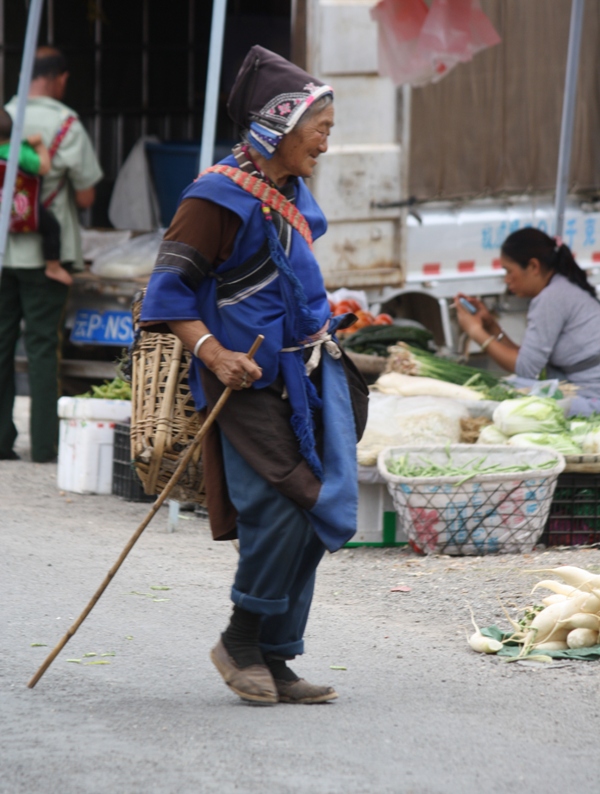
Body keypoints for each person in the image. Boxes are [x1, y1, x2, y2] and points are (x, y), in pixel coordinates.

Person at [140, 45, 368, 705]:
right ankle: (242, 639)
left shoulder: (287, 191)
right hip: (241, 385)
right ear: (277, 125)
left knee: (318, 505)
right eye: (318, 126)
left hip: (303, 377)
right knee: (283, 504)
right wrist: (213, 354)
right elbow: (168, 295)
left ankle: (273, 652)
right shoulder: (212, 198)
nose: (326, 140)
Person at [0, 46, 103, 462]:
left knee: (1, 345)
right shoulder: (67, 125)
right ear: (59, 78)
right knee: (43, 348)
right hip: (46, 258)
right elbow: (85, 194)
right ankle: (44, 446)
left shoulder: (6, 115)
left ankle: (1, 443)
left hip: (3, 254)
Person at [455, 227, 600, 415]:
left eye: (509, 271)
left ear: (533, 266)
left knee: (511, 391)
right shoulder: (559, 288)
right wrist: (490, 326)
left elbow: (525, 369)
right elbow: (528, 359)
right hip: (582, 386)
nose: (506, 280)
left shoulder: (550, 298)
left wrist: (476, 332)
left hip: (593, 397)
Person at [0, 108, 69, 286]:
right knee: (52, 228)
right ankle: (53, 267)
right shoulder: (19, 152)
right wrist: (38, 146)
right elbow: (44, 167)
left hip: (3, 212)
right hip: (26, 210)